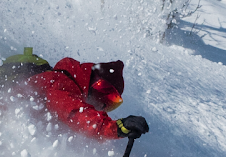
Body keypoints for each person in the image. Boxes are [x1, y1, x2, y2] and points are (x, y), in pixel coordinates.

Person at [16, 52, 149, 141]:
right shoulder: (61, 84)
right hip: (5, 119)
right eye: (107, 94)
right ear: (96, 83)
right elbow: (78, 115)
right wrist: (117, 128)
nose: (104, 105)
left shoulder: (75, 89)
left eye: (114, 101)